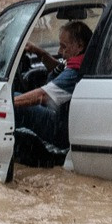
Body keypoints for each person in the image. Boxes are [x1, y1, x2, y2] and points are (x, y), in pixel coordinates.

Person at [13, 20, 93, 155]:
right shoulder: (82, 61)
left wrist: (7, 103)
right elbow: (58, 70)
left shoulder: (75, 72)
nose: (59, 51)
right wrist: (40, 53)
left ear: (79, 46)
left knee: (14, 101)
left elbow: (42, 96)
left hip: (60, 130)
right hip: (64, 119)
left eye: (63, 46)